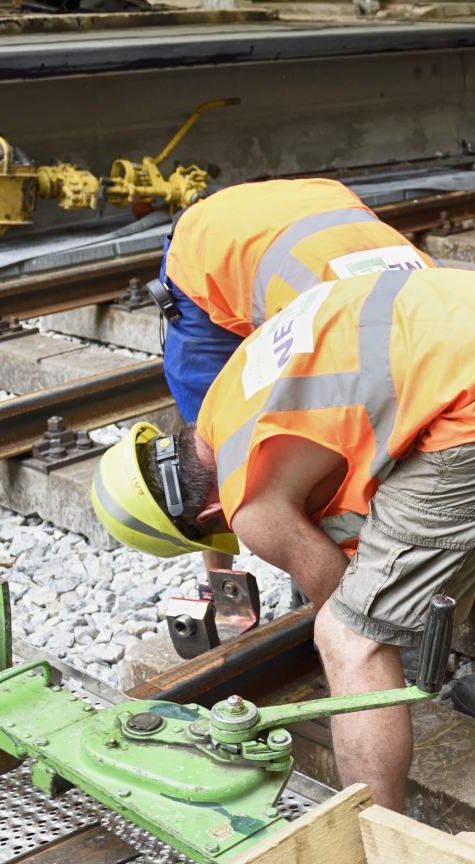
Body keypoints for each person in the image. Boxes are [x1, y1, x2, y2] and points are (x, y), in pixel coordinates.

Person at [91, 268, 475, 810]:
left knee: (349, 638)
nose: (233, 533)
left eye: (216, 531)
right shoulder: (230, 393)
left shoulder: (246, 501)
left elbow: (344, 598)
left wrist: (366, 659)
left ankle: (373, 838)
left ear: (205, 510)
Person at [149, 178, 436, 575]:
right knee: (213, 441)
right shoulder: (344, 342)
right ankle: (221, 581)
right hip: (211, 239)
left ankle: (289, 532)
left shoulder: (435, 317)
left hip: (311, 205)